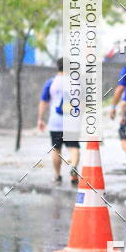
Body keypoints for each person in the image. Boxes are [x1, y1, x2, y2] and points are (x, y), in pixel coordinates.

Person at [37, 57, 80, 185]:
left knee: (56, 149)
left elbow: (43, 102)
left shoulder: (51, 82)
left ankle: (57, 175)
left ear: (58, 67)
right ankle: (73, 168)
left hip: (55, 122)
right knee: (73, 147)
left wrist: (40, 119)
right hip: (71, 121)